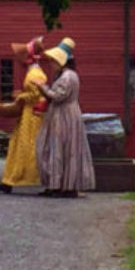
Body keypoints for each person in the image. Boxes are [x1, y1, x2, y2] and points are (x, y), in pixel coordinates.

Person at [33, 38, 95, 197]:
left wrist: (42, 87)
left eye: (54, 61)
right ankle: (61, 184)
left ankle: (61, 186)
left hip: (63, 115)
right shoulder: (68, 75)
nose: (52, 64)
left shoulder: (67, 77)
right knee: (64, 148)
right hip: (64, 114)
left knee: (58, 147)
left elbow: (58, 96)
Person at [0, 36, 46, 194]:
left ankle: (19, 179)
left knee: (27, 146)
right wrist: (22, 94)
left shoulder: (36, 73)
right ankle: (8, 180)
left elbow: (36, 94)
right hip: (28, 113)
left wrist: (21, 97)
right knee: (18, 145)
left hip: (32, 115)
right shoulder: (33, 72)